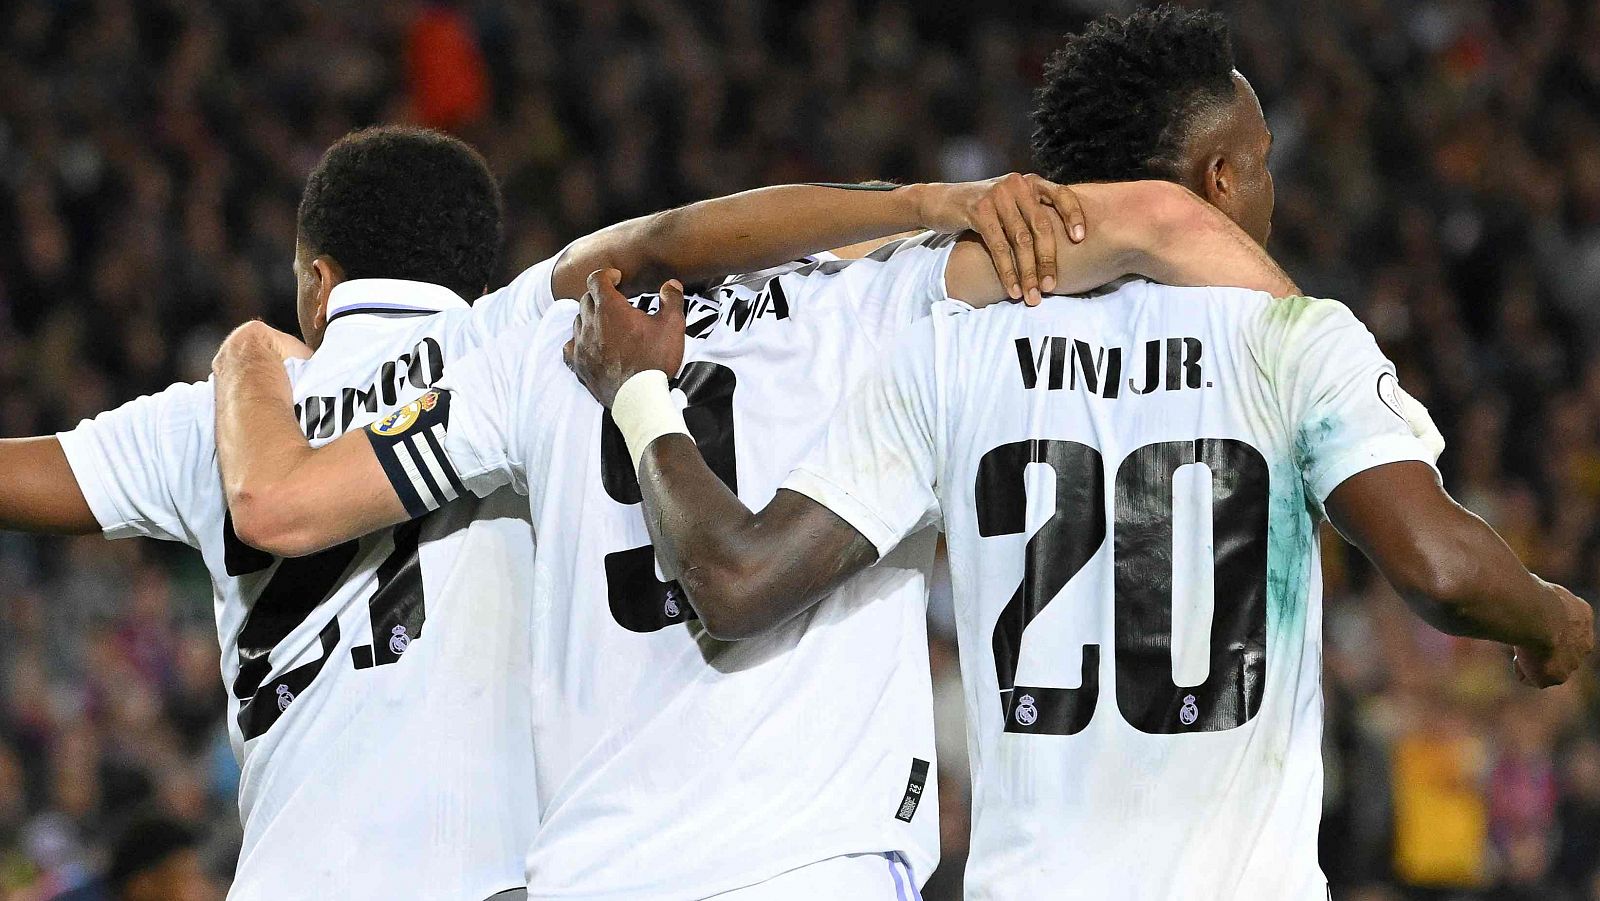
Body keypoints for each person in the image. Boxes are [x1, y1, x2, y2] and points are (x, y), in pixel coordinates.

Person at [554, 8, 1597, 900]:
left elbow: (732, 583)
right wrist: (1551, 619)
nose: (1273, 194)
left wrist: (640, 392)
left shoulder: (951, 356)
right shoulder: (1293, 339)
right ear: (1221, 178)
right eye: (1266, 166)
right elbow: (1444, 570)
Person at [0, 122, 1081, 899]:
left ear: (316, 283)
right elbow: (672, 236)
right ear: (481, 267)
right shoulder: (519, 338)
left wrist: (241, 354)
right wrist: (915, 208)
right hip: (505, 874)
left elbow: (244, 497)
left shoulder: (218, 416)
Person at [209, 167, 1295, 898]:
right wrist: (1339, 409)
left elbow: (278, 504)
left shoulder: (548, 339)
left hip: (593, 872)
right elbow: (1165, 220)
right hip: (807, 862)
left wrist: (245, 358)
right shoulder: (891, 308)